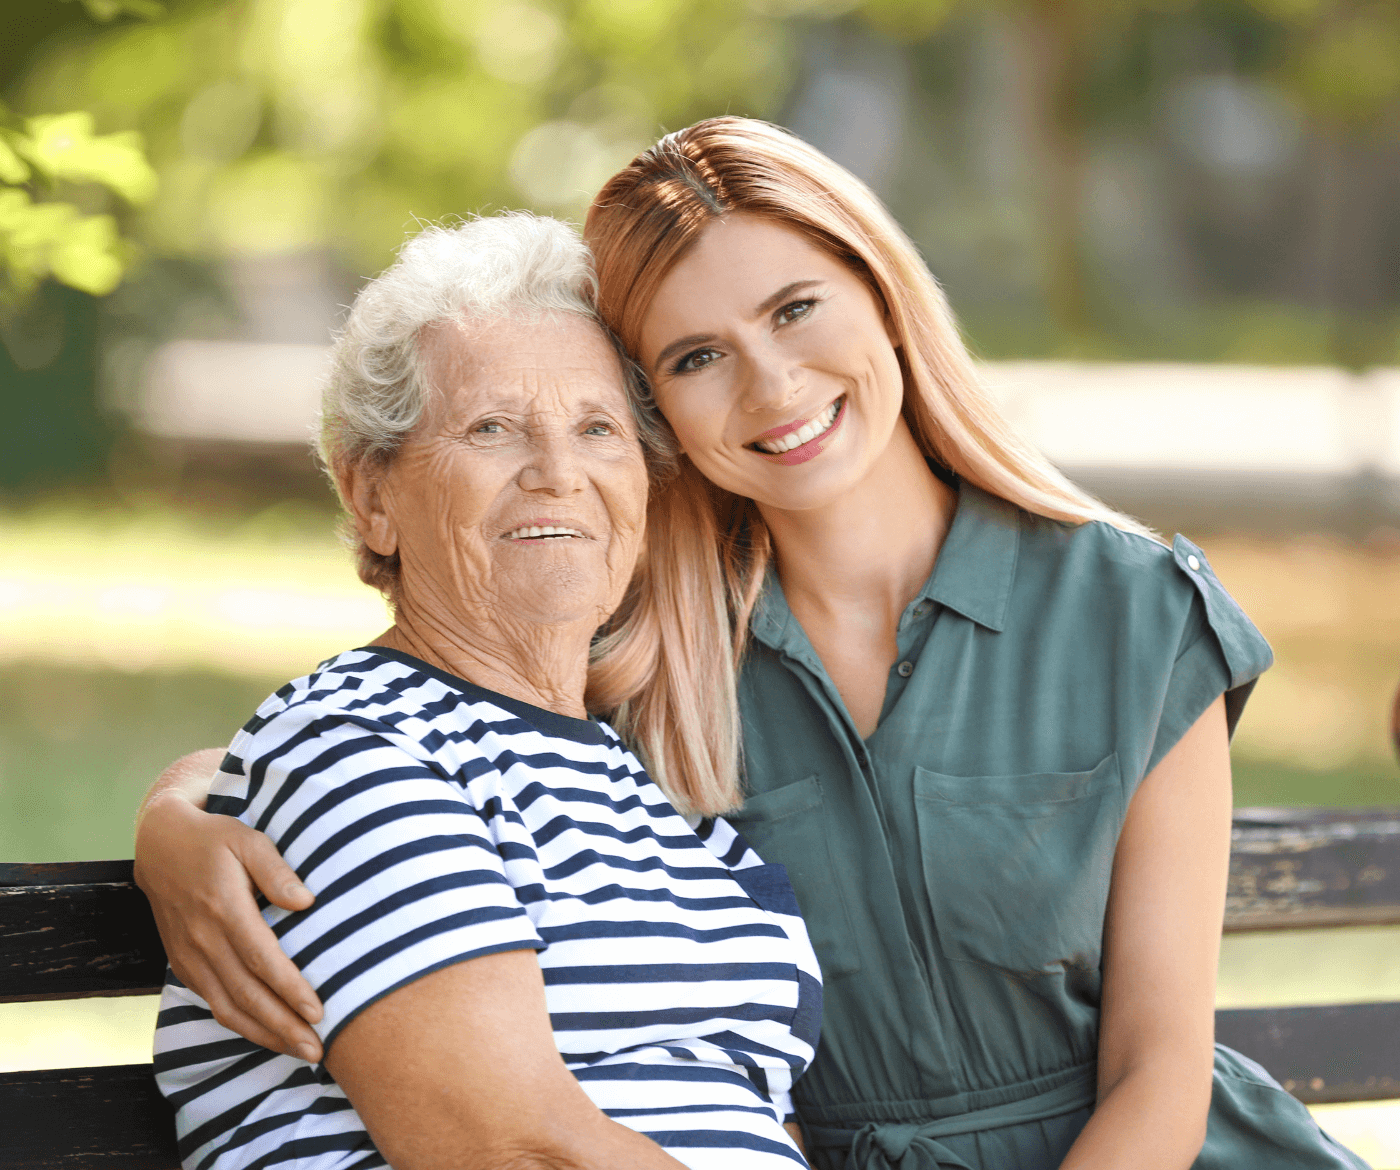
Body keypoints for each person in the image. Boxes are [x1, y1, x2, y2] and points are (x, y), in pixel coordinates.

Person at [136, 119, 1368, 1170]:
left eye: (794, 309)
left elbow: (1158, 1069)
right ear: (658, 408)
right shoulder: (634, 645)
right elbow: (385, 744)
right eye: (694, 358)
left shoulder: (1130, 609)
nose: (772, 386)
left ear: (882, 293)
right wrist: (177, 823)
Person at [143, 212, 821, 1170]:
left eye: (598, 430)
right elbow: (506, 1146)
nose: (558, 475)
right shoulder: (357, 752)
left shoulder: (648, 791)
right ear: (372, 496)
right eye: (492, 429)